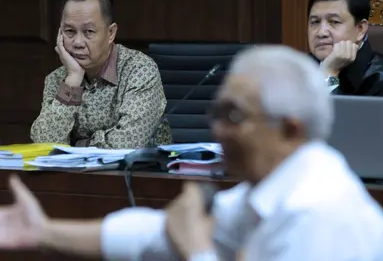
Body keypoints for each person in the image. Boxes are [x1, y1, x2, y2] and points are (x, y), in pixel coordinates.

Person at [1, 45, 383, 260]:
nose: (218, 130)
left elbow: (187, 237)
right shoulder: (271, 188)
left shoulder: (322, 216)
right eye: (217, 113)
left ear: (289, 129)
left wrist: (196, 248)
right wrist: (44, 232)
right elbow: (153, 235)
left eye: (234, 116)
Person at [30, 0, 172, 149]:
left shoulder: (139, 70)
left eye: (88, 32)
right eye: (69, 31)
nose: (77, 42)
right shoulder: (58, 79)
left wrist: (77, 146)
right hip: (74, 174)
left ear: (111, 33)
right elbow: (44, 144)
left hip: (139, 172)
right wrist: (73, 81)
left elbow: (130, 141)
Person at [308, 0, 383, 95]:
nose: (321, 32)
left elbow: (338, 113)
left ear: (360, 29)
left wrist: (329, 74)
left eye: (334, 22)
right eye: (315, 22)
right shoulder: (299, 68)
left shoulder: (379, 78)